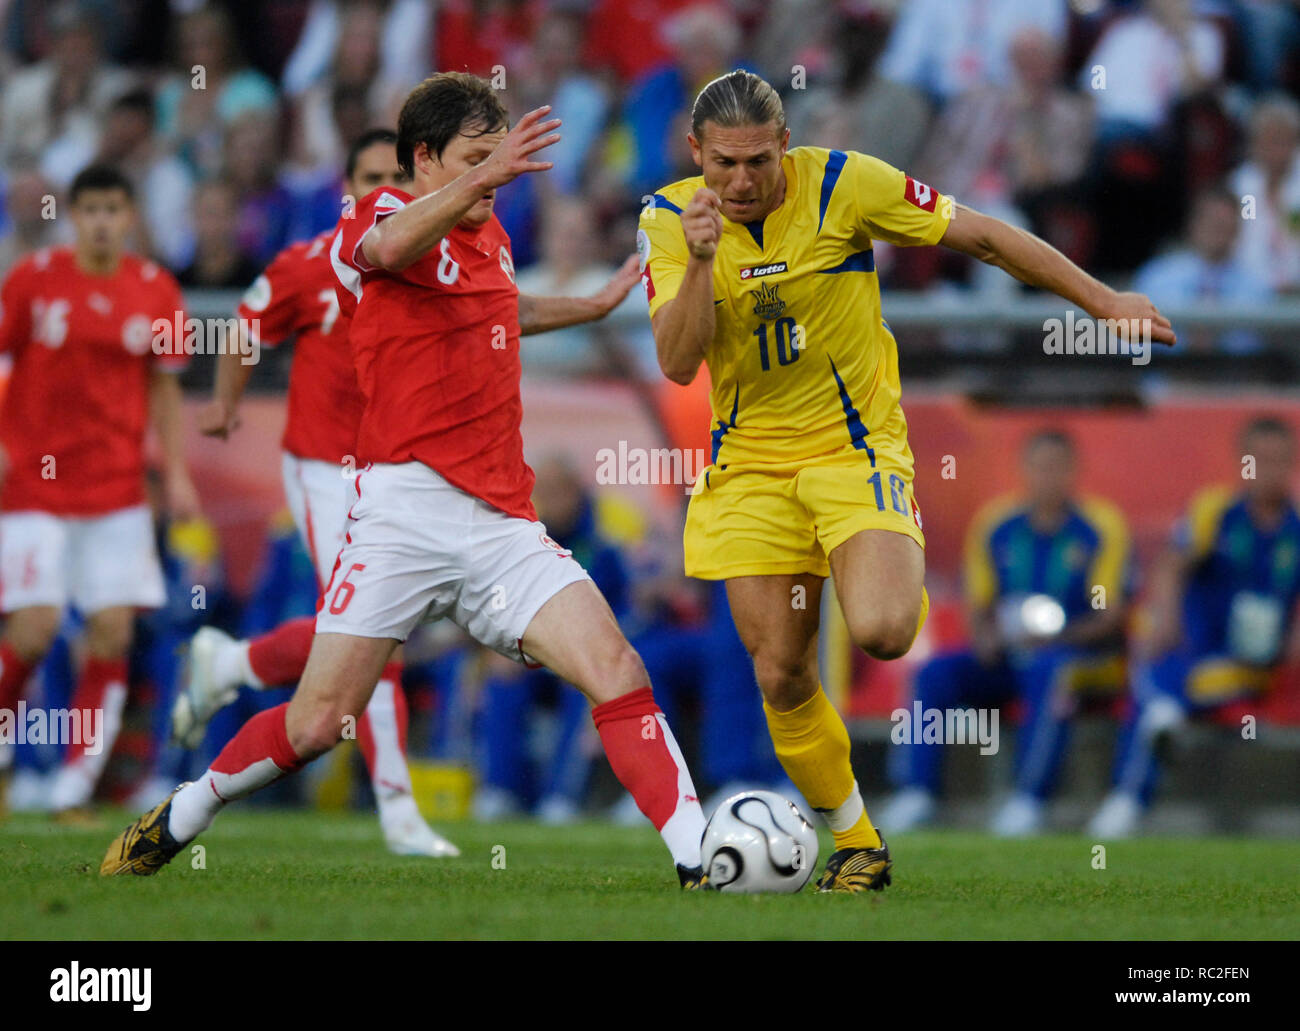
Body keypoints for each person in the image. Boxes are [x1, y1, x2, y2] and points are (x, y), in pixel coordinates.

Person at [103, 72, 711, 888]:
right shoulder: (377, 217)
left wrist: (593, 304)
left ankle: (703, 858)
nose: (496, 176)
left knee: (618, 670)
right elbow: (388, 252)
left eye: (500, 159)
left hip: (502, 525)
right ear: (424, 159)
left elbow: (501, 307)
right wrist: (485, 180)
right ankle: (188, 809)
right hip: (401, 516)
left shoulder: (485, 235)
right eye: (475, 158)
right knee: (320, 722)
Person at [638, 69, 1173, 893]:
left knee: (885, 628)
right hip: (748, 465)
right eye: (723, 164)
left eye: (757, 161)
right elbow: (677, 363)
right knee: (779, 670)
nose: (740, 182)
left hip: (855, 450)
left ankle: (878, 555)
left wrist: (1103, 301)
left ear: (786, 145)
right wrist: (705, 262)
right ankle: (858, 843)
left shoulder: (849, 184)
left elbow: (985, 237)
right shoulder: (670, 219)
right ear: (695, 153)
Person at [172, 128, 458, 858]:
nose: (380, 188)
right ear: (347, 188)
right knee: (376, 634)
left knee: (375, 629)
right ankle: (398, 810)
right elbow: (243, 323)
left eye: (394, 173)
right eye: (368, 176)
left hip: (397, 468)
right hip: (324, 469)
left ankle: (231, 665)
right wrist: (225, 403)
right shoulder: (309, 263)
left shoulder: (434, 261)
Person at [0, 164, 199, 819]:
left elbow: (166, 387)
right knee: (34, 630)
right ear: (74, 215)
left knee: (111, 634)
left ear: (131, 216)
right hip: (35, 483)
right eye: (91, 209)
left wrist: (173, 470)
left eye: (115, 209)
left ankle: (72, 789)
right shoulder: (32, 280)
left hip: (117, 491)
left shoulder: (158, 290)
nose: (103, 221)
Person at [881, 430, 1133, 837]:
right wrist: (986, 637)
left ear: (1073, 472)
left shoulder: (1100, 527)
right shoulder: (997, 525)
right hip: (1010, 657)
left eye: (1057, 466)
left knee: (1051, 673)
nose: (1048, 476)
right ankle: (916, 792)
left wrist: (1056, 639)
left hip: (1083, 660)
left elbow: (1111, 614)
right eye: (1039, 465)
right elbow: (979, 604)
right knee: (933, 674)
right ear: (1024, 470)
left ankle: (1028, 799)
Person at [1090, 417, 1300, 838]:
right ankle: (1137, 778)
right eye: (1258, 459)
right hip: (1194, 645)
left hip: (1250, 663)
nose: (1267, 468)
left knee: (1155, 697)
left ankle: (1130, 794)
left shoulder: (1295, 529)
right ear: (1243, 462)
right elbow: (1171, 565)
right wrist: (1166, 615)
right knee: (1149, 638)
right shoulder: (1215, 510)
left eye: (1278, 459)